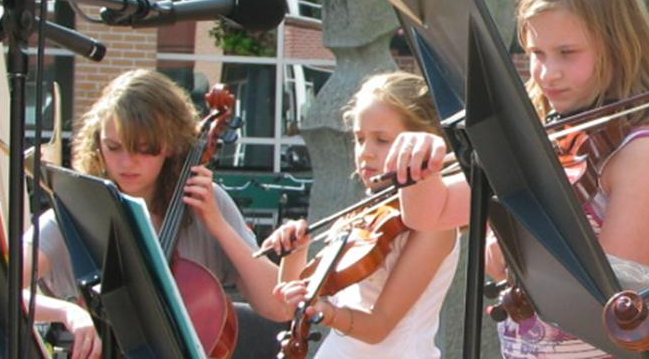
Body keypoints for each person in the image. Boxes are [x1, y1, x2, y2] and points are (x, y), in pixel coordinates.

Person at [489, 0, 649, 358]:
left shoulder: (646, 156)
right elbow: (435, 215)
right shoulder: (549, 141)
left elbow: (605, 302)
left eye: (567, 53)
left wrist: (521, 248)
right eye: (536, 53)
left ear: (618, 47)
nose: (548, 73)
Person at [24, 69, 296, 359]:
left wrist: (219, 226)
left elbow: (279, 307)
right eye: (113, 147)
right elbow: (2, 285)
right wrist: (69, 313)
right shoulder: (81, 212)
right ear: (97, 144)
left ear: (171, 145)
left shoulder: (208, 202)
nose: (127, 162)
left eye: (144, 149)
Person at [262, 72, 466, 359]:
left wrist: (328, 314)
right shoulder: (368, 214)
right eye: (359, 139)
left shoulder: (434, 226)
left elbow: (379, 325)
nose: (366, 153)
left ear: (421, 142)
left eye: (382, 140)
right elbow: (291, 307)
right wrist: (296, 252)